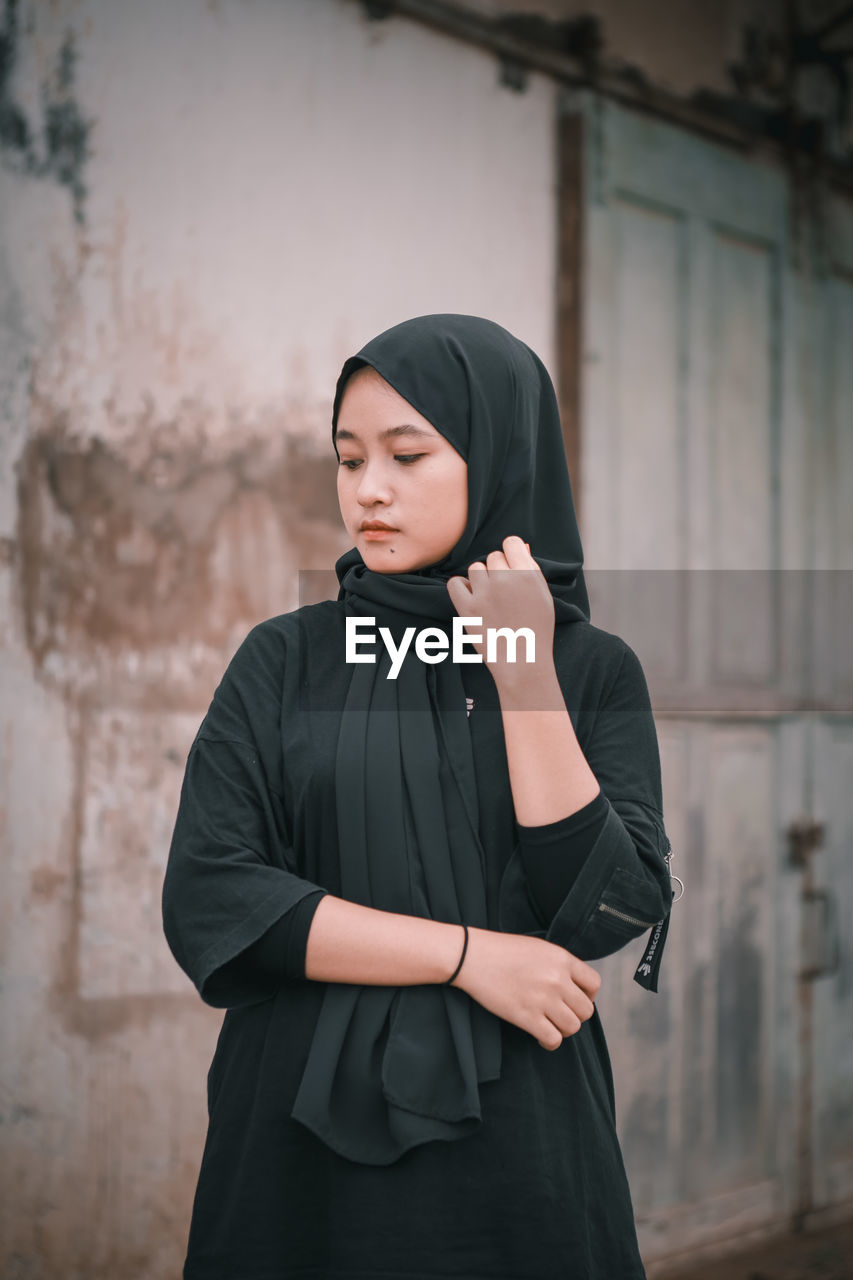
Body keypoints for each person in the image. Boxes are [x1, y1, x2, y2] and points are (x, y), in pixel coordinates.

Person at [162, 313, 675, 1280]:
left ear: (496, 456)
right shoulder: (285, 658)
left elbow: (603, 905)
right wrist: (467, 957)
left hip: (520, 1143)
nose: (368, 491)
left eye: (408, 454)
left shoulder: (593, 671)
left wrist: (522, 669)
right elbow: (212, 899)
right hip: (293, 1141)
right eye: (348, 459)